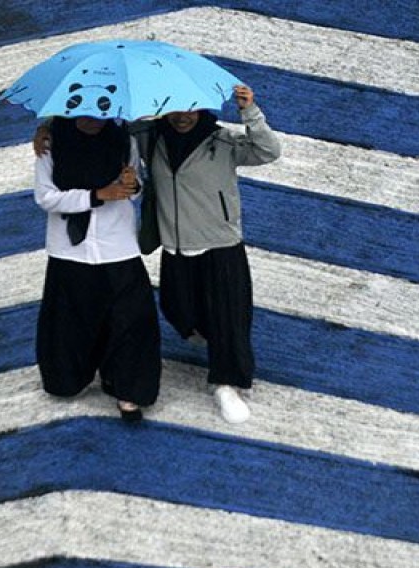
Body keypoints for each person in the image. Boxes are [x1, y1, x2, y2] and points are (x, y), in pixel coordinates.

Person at [35, 84, 281, 424]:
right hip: (171, 246)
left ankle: (226, 383)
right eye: (175, 109)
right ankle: (201, 334)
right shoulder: (149, 139)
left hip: (216, 243)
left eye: (191, 108)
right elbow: (90, 128)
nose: (183, 117)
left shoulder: (219, 142)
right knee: (176, 309)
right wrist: (47, 127)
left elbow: (267, 151)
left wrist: (249, 111)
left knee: (227, 320)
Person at [33, 115, 161, 421]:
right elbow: (45, 197)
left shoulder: (122, 139)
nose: (94, 120)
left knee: (132, 320)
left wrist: (133, 185)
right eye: (86, 112)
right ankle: (69, 379)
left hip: (117, 244)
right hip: (70, 250)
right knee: (70, 322)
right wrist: (96, 196)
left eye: (101, 112)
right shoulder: (51, 144)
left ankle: (129, 390)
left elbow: (136, 187)